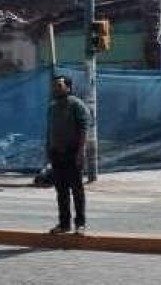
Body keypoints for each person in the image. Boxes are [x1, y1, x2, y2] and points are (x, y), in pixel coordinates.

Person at [46, 75, 90, 235]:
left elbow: (84, 128)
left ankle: (80, 224)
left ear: (68, 88)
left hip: (72, 153)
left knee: (77, 190)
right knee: (61, 191)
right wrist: (48, 150)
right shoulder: (52, 107)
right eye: (54, 86)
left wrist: (80, 151)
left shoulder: (76, 105)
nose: (55, 88)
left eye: (59, 85)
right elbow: (49, 130)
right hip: (56, 154)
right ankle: (64, 224)